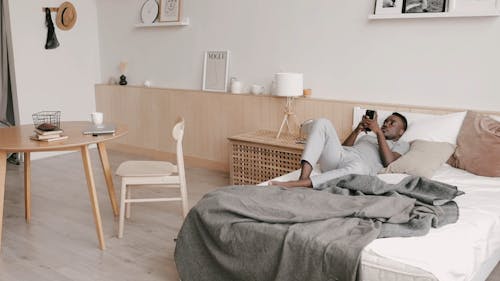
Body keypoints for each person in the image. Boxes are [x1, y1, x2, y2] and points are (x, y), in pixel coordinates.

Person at [270, 112, 409, 189]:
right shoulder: (367, 138)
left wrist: (378, 132)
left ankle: (298, 184)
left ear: (401, 131)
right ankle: (303, 178)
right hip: (341, 157)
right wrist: (357, 130)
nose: (386, 124)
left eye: (392, 123)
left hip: (357, 167)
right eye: (386, 122)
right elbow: (344, 148)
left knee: (359, 168)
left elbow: (389, 161)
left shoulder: (402, 144)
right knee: (323, 122)